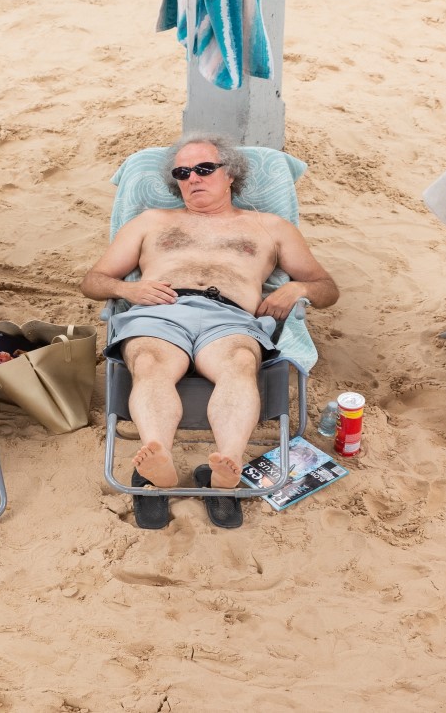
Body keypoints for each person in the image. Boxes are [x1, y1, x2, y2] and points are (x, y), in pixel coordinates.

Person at [80, 133, 339, 528]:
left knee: (238, 362)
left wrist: (298, 287)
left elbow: (327, 289)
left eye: (204, 169)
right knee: (149, 361)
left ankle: (227, 464)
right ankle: (158, 460)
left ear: (230, 174)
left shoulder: (270, 227)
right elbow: (93, 280)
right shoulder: (152, 221)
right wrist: (127, 289)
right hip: (161, 310)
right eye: (182, 173)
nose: (193, 179)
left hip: (231, 317)